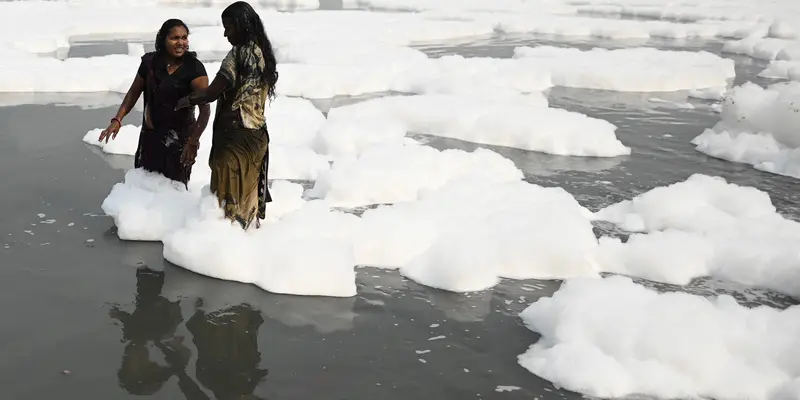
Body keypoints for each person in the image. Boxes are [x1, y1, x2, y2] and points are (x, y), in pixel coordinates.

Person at [175, 1, 278, 230]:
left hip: (235, 135)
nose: (225, 33)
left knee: (228, 194)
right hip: (257, 134)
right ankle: (247, 240)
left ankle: (225, 247)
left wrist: (188, 99)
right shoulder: (262, 53)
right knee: (248, 192)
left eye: (228, 28)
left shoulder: (238, 54)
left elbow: (212, 93)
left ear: (241, 27)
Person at [99, 19, 211, 187]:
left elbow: (205, 110)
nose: (181, 42)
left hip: (179, 140)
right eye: (175, 38)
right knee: (145, 186)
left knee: (175, 188)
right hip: (150, 138)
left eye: (184, 37)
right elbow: (133, 93)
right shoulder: (150, 63)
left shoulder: (194, 68)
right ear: (163, 40)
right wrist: (117, 119)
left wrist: (193, 142)